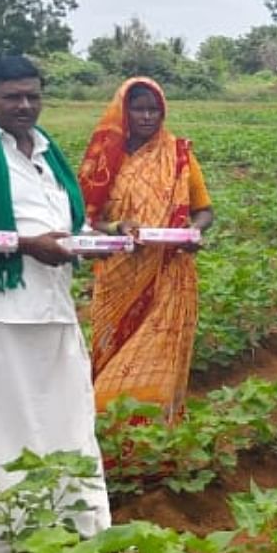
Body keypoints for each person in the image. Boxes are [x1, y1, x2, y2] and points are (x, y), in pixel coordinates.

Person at [0, 54, 113, 553]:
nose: (24, 105)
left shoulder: (45, 151)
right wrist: (22, 244)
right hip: (0, 308)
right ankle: (10, 538)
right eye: (12, 96)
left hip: (52, 304)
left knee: (68, 414)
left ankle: (74, 523)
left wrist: (99, 240)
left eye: (33, 95)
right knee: (5, 423)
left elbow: (63, 223)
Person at [80, 77, 215, 422]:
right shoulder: (104, 159)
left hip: (169, 270)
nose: (146, 117)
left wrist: (191, 232)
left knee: (158, 352)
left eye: (153, 110)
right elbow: (86, 217)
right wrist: (117, 228)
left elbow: (204, 211)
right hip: (118, 272)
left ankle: (155, 436)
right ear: (123, 112)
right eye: (138, 109)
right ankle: (109, 430)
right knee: (115, 355)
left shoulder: (179, 155)